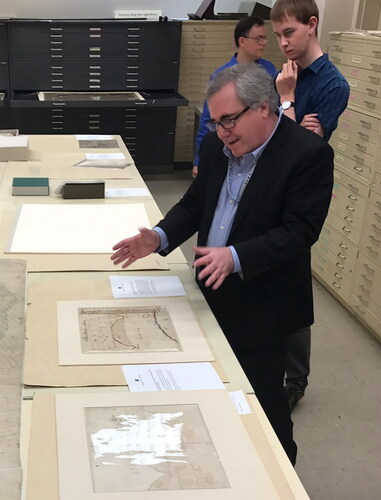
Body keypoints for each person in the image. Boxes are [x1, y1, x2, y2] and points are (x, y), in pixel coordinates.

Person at [111, 64, 334, 465]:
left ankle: (281, 476)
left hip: (265, 302)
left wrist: (235, 256)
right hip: (210, 287)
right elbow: (196, 203)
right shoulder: (218, 145)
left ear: (264, 108)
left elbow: (299, 232)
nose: (222, 132)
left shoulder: (308, 154)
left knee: (264, 402)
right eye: (215, 123)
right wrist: (158, 237)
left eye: (229, 120)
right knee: (208, 390)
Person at [271, 0, 350, 410]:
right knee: (264, 270)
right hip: (271, 187)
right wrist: (292, 119)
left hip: (302, 197)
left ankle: (295, 380)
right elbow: (276, 137)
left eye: (289, 33)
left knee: (293, 281)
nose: (282, 43)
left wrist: (286, 102)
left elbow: (303, 152)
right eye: (278, 35)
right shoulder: (285, 73)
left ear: (312, 26)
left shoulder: (332, 85)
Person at [192, 15, 276, 178]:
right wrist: (199, 160)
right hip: (229, 146)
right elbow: (207, 122)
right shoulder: (221, 77)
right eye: (259, 38)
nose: (264, 43)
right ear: (242, 41)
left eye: (265, 38)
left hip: (261, 149)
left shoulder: (269, 70)